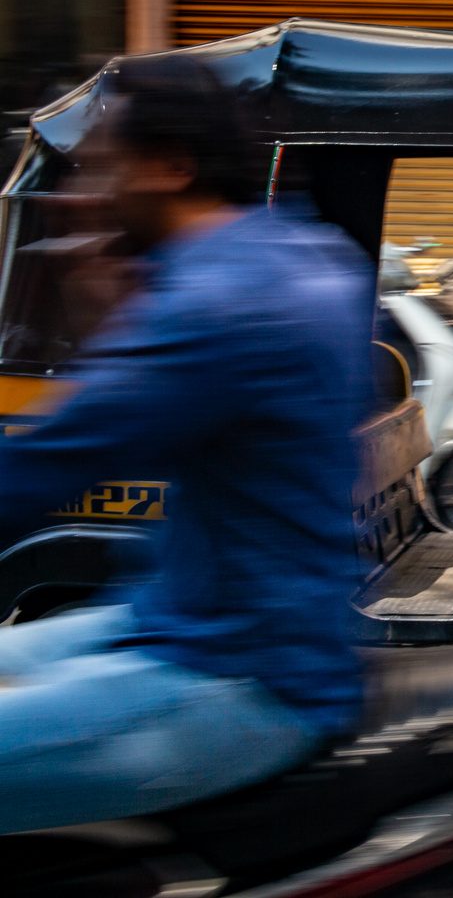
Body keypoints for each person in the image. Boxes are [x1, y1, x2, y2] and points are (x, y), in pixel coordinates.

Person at [0, 55, 374, 833]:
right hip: (199, 618)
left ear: (172, 165)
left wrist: (113, 318)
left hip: (229, 674)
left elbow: (44, 464)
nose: (87, 195)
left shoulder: (214, 303)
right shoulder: (300, 255)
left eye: (105, 167)